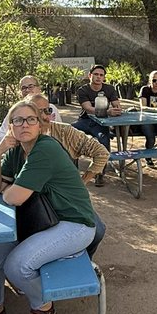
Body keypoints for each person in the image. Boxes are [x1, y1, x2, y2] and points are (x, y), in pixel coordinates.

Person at [0, 100, 97, 314]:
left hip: (73, 224)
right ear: (10, 126)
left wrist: (9, 188)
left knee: (17, 266)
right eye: (17, 120)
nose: (24, 125)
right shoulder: (15, 151)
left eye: (30, 119)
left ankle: (43, 308)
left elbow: (13, 196)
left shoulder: (45, 149)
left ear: (40, 124)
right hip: (37, 221)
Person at [25, 93, 107, 255]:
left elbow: (101, 152)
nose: (45, 116)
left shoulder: (64, 132)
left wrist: (83, 181)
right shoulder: (23, 135)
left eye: (47, 110)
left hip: (68, 197)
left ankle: (84, 261)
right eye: (38, 112)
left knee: (98, 231)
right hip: (36, 199)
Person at [73, 64, 122, 184]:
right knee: (69, 133)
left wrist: (117, 109)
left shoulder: (109, 89)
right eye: (96, 74)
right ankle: (73, 171)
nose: (98, 77)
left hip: (101, 123)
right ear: (90, 75)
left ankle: (99, 172)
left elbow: (117, 105)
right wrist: (107, 111)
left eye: (101, 75)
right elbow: (88, 108)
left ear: (104, 77)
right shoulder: (82, 90)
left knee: (104, 140)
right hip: (85, 120)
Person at [0, 73, 62, 140]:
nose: (27, 90)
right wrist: (19, 140)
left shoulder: (51, 108)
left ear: (39, 88)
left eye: (31, 86)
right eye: (23, 88)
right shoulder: (16, 111)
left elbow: (61, 131)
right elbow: (0, 134)